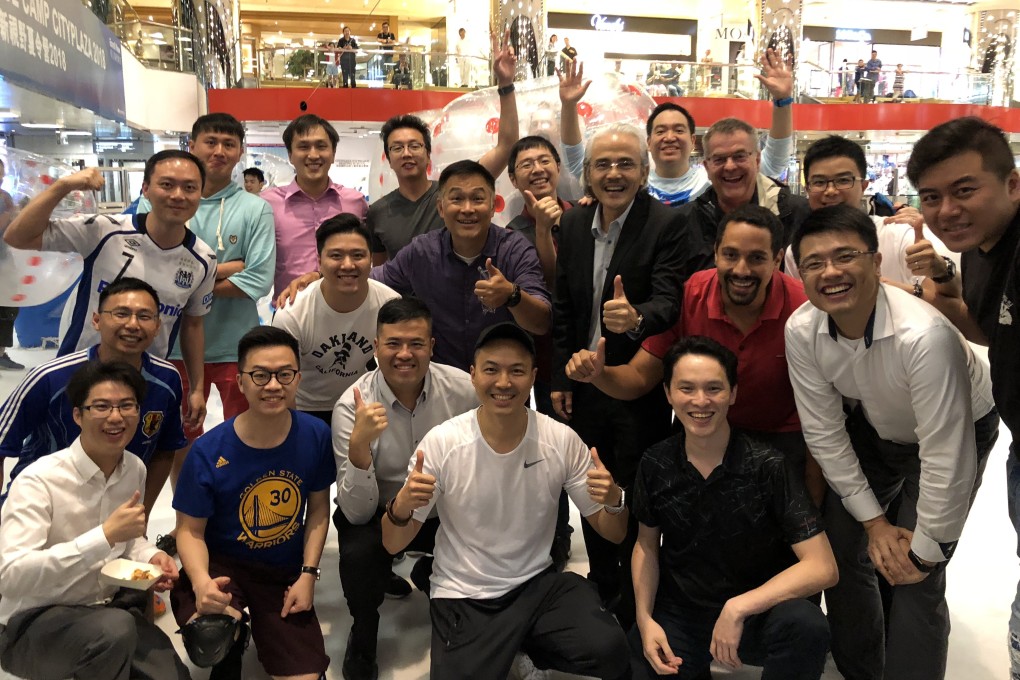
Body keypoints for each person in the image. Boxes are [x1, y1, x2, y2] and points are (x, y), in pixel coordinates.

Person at [784, 204, 1000, 680]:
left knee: (918, 575)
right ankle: (862, 668)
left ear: (877, 262)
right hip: (877, 427)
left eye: (846, 256)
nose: (831, 272)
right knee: (841, 550)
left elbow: (947, 453)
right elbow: (824, 431)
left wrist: (924, 549)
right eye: (815, 262)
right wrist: (876, 523)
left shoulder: (923, 335)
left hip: (957, 431)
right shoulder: (802, 329)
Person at [381, 322, 632, 680]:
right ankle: (508, 648)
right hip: (464, 591)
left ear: (532, 377)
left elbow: (614, 533)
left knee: (610, 649)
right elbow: (392, 542)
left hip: (537, 584)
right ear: (472, 375)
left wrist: (614, 500)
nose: (503, 383)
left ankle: (520, 645)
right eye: (491, 370)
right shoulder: (442, 444)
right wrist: (403, 504)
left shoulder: (560, 440)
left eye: (516, 371)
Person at [552, 122, 707, 625]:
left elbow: (671, 299)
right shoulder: (574, 226)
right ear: (588, 175)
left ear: (643, 172)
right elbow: (564, 305)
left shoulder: (668, 224)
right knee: (591, 485)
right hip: (583, 382)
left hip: (638, 387)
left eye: (625, 164)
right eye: (603, 164)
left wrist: (636, 318)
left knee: (637, 488)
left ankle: (642, 589)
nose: (613, 174)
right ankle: (605, 586)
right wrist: (559, 375)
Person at [566, 205, 823, 504]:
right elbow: (638, 378)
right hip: (704, 430)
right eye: (730, 255)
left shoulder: (805, 309)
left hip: (781, 436)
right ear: (715, 253)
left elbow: (821, 413)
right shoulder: (691, 295)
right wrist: (599, 374)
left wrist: (812, 501)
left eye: (756, 258)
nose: (741, 269)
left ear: (778, 259)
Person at [630, 336, 837, 680]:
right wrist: (644, 619)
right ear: (668, 393)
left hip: (760, 609)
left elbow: (823, 567)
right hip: (683, 610)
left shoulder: (768, 465)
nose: (700, 401)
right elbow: (646, 546)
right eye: (686, 388)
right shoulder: (655, 463)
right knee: (642, 657)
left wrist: (739, 606)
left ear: (733, 394)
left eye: (714, 388)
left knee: (807, 626)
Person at [904, 116, 1020, 677]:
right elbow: (987, 329)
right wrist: (935, 299)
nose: (947, 209)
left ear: (1012, 184)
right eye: (932, 196)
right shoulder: (977, 248)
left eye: (965, 190)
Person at [0, 361, 188, 680]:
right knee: (115, 631)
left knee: (172, 674)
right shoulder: (38, 482)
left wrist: (150, 558)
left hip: (106, 609)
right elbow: (10, 576)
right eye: (101, 406)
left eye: (126, 405)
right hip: (29, 624)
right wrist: (102, 537)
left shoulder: (134, 469)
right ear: (78, 415)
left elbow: (130, 541)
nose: (115, 417)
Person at [2, 151, 216, 431]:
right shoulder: (105, 231)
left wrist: (197, 388)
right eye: (167, 184)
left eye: (190, 188)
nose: (178, 195)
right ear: (146, 189)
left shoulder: (203, 259)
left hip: (142, 383)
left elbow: (193, 324)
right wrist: (63, 185)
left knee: (133, 464)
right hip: (79, 375)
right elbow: (17, 237)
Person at [171, 326, 333, 680]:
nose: (273, 386)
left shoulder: (316, 435)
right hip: (223, 566)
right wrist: (201, 583)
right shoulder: (207, 451)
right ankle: (232, 635)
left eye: (284, 374)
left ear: (298, 378)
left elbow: (319, 509)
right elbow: (189, 531)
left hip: (282, 572)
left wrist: (308, 574)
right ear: (241, 381)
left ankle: (249, 628)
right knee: (208, 638)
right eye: (260, 375)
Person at [332, 297, 478, 679]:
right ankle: (363, 630)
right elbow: (355, 512)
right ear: (376, 346)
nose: (404, 354)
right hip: (380, 510)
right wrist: (359, 447)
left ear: (432, 346)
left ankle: (434, 577)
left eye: (416, 343)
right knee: (360, 555)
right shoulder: (352, 406)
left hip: (445, 508)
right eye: (393, 343)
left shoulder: (464, 390)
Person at [0, 277, 185, 518]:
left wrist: (141, 516)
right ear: (96, 320)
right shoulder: (51, 378)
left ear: (158, 326)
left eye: (144, 316)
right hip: (40, 510)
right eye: (121, 314)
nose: (132, 324)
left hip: (113, 514)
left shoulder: (167, 380)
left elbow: (164, 451)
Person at [369, 160, 550, 372]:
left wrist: (512, 295)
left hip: (501, 383)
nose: (467, 209)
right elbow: (373, 281)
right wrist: (326, 277)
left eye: (477, 199)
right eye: (456, 199)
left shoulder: (514, 249)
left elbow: (541, 323)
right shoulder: (422, 252)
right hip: (442, 385)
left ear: (492, 207)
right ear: (441, 208)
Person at [559, 49, 795, 208]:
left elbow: (774, 163)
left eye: (679, 130)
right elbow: (577, 162)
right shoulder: (631, 184)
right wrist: (569, 105)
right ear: (648, 142)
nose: (669, 137)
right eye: (660, 131)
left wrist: (783, 102)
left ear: (693, 141)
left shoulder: (713, 180)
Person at [271, 214, 399, 423]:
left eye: (358, 255)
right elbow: (281, 382)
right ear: (319, 262)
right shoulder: (292, 314)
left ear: (371, 260)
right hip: (307, 409)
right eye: (336, 256)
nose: (348, 265)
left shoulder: (390, 305)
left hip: (368, 405)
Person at [792, 134, 954, 286]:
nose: (831, 191)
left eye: (843, 180)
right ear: (807, 189)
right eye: (820, 182)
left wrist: (940, 270)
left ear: (863, 186)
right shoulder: (797, 251)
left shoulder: (899, 237)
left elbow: (948, 302)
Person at [677, 116, 810, 261]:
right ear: (707, 167)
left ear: (757, 160)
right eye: (719, 159)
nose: (730, 166)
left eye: (739, 156)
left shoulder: (797, 214)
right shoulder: (685, 223)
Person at [262, 114, 369, 295]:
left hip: (347, 309)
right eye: (303, 147)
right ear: (290, 155)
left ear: (333, 153)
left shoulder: (355, 202)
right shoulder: (267, 204)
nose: (313, 155)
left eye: (321, 146)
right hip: (289, 311)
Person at [0, 157, 21, 371]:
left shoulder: (4, 197)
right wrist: (10, 214)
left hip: (4, 259)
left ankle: (1, 352)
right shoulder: (4, 200)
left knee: (8, 308)